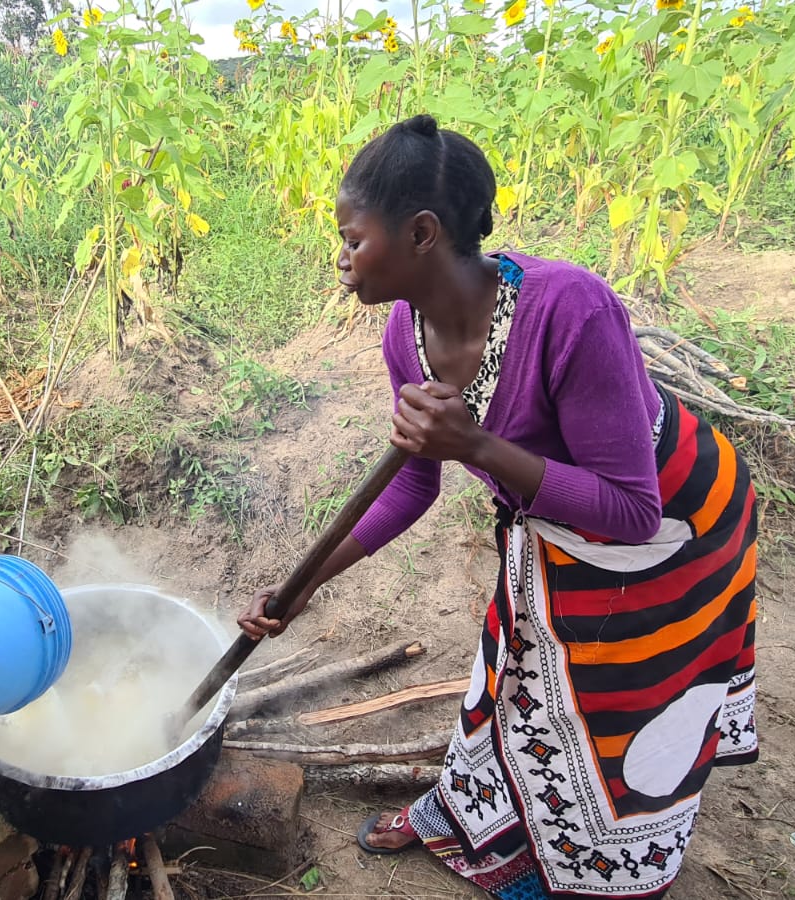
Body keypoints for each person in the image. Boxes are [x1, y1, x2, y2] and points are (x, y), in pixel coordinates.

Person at [240, 116, 758, 900]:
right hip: (552, 529)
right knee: (513, 672)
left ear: (420, 233)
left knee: (615, 712)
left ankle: (601, 867)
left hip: (671, 533)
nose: (341, 257)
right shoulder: (403, 335)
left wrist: (476, 446)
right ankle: (470, 813)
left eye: (352, 237)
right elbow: (414, 482)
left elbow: (630, 509)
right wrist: (310, 583)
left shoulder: (570, 311)